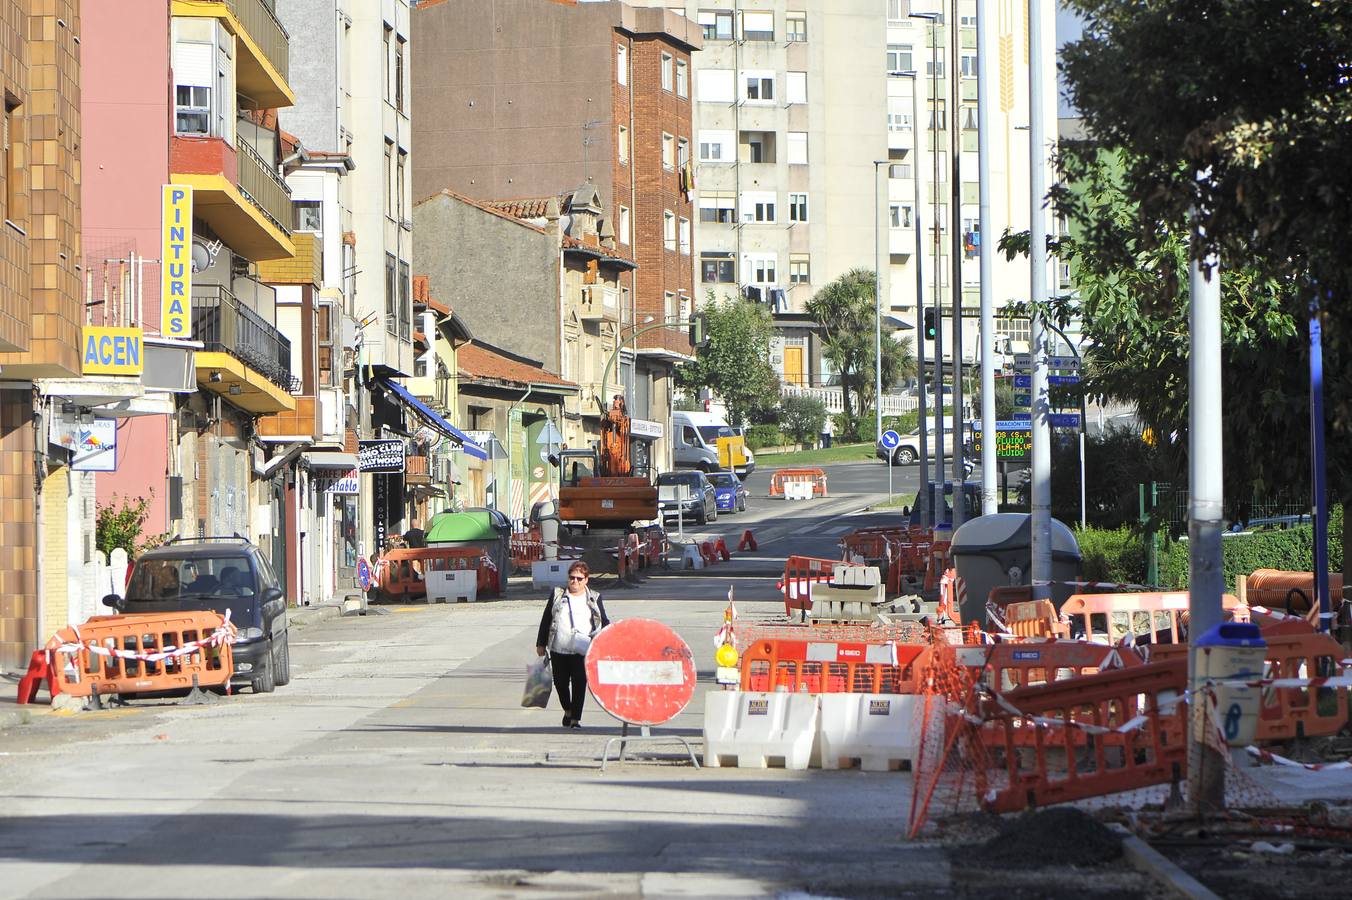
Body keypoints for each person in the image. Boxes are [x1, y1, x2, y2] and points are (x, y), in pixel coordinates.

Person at [535, 561, 609, 728]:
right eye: (572, 578)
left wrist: (610, 637)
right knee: (560, 683)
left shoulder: (594, 598)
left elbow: (603, 621)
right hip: (558, 648)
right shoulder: (557, 594)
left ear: (586, 580)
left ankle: (575, 718)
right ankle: (567, 710)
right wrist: (541, 643)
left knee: (579, 683)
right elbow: (546, 619)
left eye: (579, 578)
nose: (575, 581)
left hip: (582, 650)